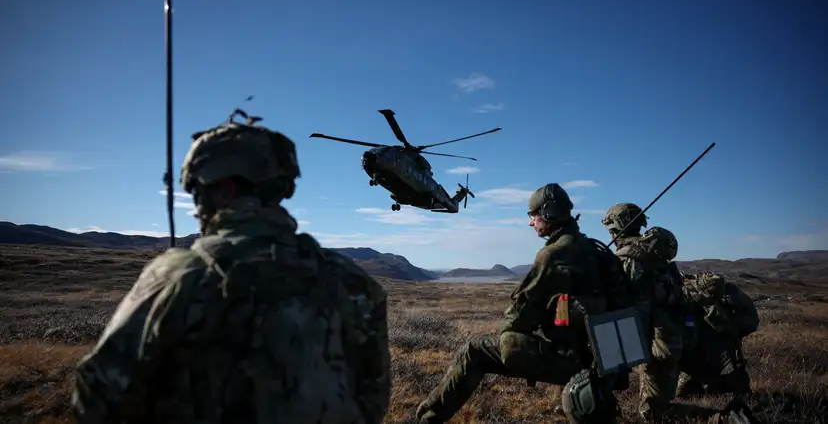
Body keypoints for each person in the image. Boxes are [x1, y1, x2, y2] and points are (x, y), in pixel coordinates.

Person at [70, 110, 391, 424]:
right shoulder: (353, 282)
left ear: (225, 189)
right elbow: (372, 398)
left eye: (197, 190)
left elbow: (99, 397)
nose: (196, 206)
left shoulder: (177, 277)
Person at [415, 183, 632, 424]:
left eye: (533, 215)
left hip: (575, 359)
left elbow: (520, 318)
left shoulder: (553, 255)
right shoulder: (597, 251)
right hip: (609, 361)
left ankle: (427, 420)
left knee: (477, 350)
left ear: (547, 213)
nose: (531, 222)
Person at [602, 204, 686, 421]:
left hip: (648, 339)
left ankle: (722, 418)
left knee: (654, 413)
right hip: (668, 337)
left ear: (615, 227)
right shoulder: (655, 257)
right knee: (659, 405)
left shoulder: (628, 259)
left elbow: (626, 306)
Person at [676, 271, 759, 398]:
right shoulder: (718, 300)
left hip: (709, 353)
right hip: (717, 352)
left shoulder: (687, 299)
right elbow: (750, 322)